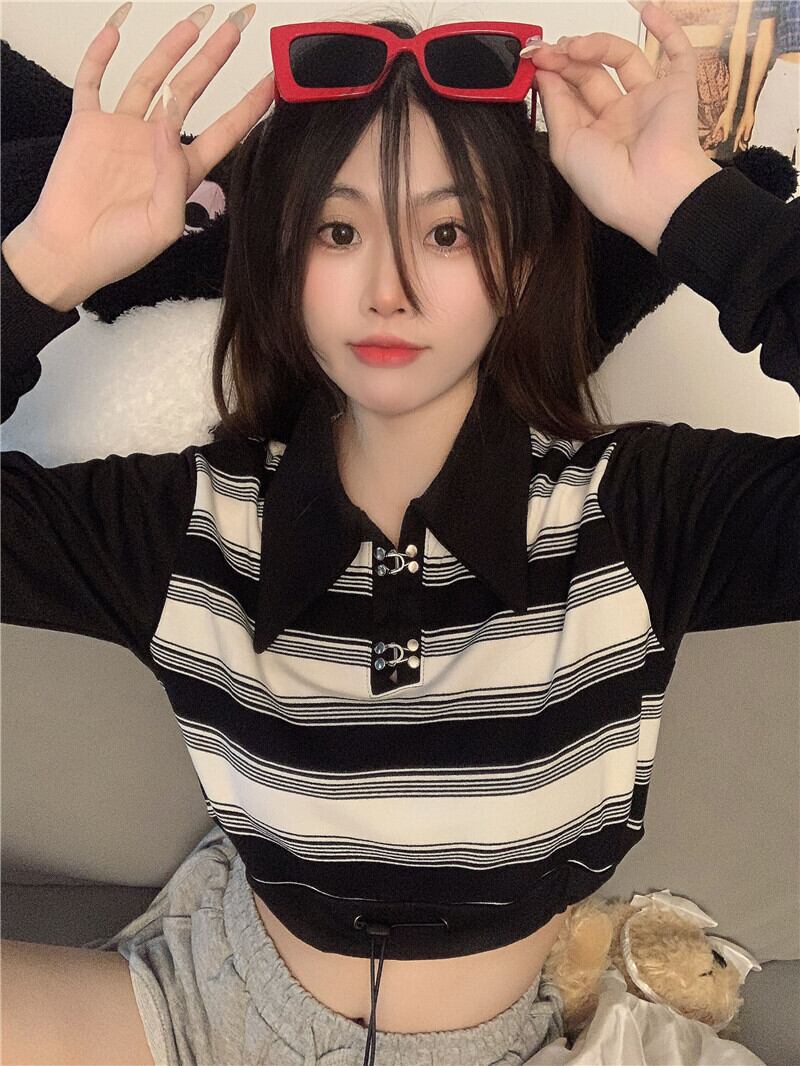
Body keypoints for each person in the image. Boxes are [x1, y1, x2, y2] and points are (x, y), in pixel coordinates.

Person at [1, 2, 798, 1065]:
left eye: (447, 232)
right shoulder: (185, 523)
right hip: (207, 1011)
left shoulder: (639, 512)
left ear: (520, 261)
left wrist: (692, 211)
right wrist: (45, 263)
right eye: (338, 232)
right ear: (284, 261)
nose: (389, 289)